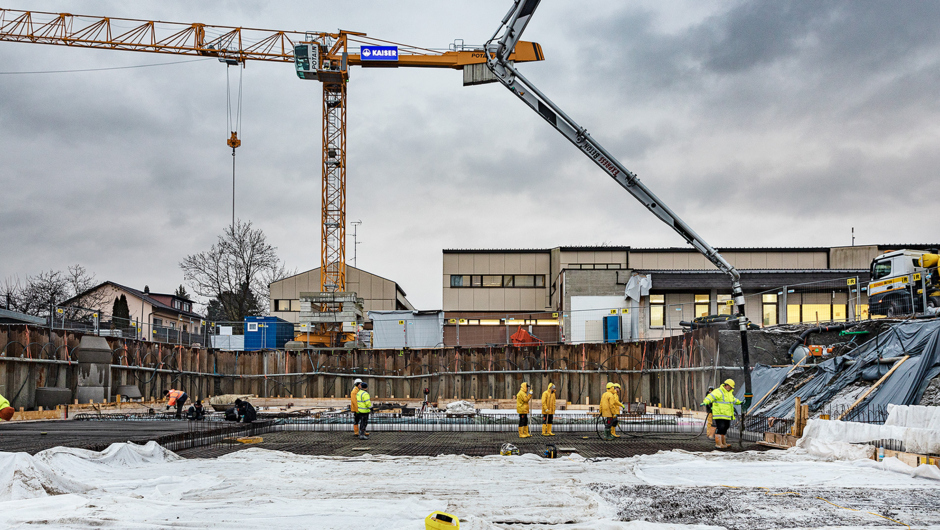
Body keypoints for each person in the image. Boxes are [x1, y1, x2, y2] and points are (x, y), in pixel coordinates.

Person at [701, 379, 743, 449]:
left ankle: (723, 443)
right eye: (731, 387)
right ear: (726, 385)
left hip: (727, 415)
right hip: (719, 414)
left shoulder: (729, 393)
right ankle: (718, 443)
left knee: (725, 427)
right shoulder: (718, 391)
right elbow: (710, 397)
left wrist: (739, 402)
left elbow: (733, 400)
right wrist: (706, 402)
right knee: (721, 427)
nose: (731, 388)